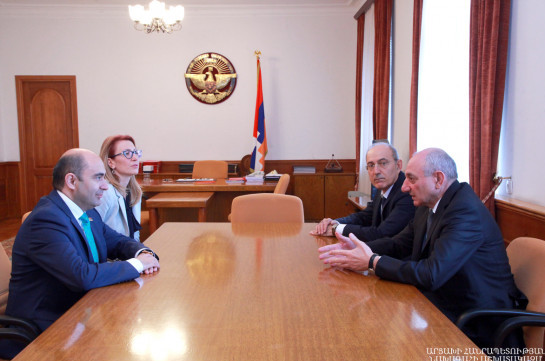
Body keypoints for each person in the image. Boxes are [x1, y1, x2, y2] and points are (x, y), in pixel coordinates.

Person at [318, 148, 524, 351]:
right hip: (442, 306)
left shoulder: (465, 212)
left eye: (411, 179)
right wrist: (357, 248)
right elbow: (399, 244)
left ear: (438, 179)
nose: (405, 187)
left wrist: (371, 261)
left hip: (478, 325)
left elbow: (431, 274)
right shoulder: (429, 205)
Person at [1, 148, 160, 359]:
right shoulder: (46, 220)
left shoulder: (86, 210)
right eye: (98, 177)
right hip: (43, 330)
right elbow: (82, 276)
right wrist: (138, 264)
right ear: (71, 181)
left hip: (81, 315)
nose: (105, 185)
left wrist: (143, 252)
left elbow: (117, 241)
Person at [311, 143, 415, 242]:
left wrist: (337, 229)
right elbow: (366, 215)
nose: (376, 171)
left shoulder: (406, 192)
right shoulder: (384, 185)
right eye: (371, 165)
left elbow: (381, 233)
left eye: (383, 163)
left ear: (398, 165)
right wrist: (336, 222)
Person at [95, 135, 143, 241]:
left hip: (129, 253)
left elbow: (135, 236)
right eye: (127, 154)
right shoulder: (105, 192)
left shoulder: (135, 192)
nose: (135, 158)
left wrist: (140, 252)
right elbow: (94, 234)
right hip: (109, 256)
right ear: (111, 162)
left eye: (135, 152)